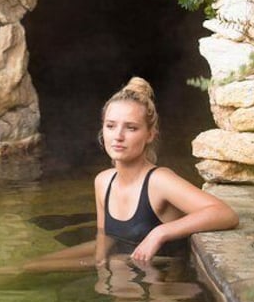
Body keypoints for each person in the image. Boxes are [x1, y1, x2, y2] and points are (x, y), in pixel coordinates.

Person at [22, 77, 239, 272]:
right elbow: (104, 238)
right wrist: (100, 272)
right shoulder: (103, 181)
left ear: (150, 134)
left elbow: (224, 214)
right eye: (110, 126)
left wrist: (160, 233)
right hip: (122, 269)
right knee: (26, 268)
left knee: (112, 265)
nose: (118, 136)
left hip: (161, 284)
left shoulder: (159, 180)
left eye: (131, 128)